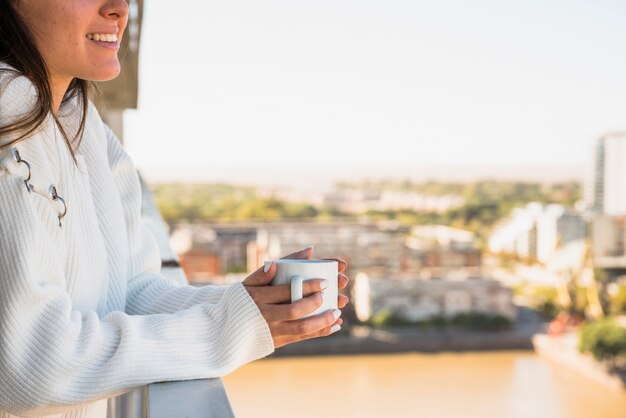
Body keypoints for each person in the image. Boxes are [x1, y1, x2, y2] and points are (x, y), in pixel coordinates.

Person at [0, 1, 349, 417]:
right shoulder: (10, 112)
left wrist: (248, 305)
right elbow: (30, 362)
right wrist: (225, 330)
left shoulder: (81, 120)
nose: (118, 8)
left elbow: (132, 292)